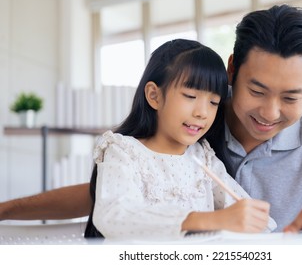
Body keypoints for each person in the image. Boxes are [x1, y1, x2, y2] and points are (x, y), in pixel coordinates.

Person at [0, 4, 302, 232]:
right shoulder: (195, 121)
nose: (270, 113)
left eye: (291, 97)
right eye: (256, 91)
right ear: (232, 68)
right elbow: (119, 191)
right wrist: (7, 210)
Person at [84, 39, 276, 239]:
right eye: (190, 96)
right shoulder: (124, 151)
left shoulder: (203, 157)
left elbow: (244, 212)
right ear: (154, 96)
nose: (203, 113)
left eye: (213, 102)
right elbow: (115, 216)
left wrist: (258, 221)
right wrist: (207, 220)